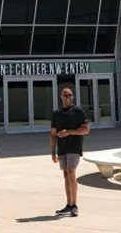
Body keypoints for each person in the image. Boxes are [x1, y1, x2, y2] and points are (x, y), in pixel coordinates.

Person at [50, 87, 89, 217]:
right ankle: (69, 204)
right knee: (66, 175)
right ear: (61, 97)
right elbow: (53, 134)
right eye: (65, 95)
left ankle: (75, 205)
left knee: (71, 172)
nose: (68, 97)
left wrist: (69, 132)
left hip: (74, 147)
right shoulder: (57, 114)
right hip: (62, 149)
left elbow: (86, 130)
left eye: (70, 95)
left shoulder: (78, 111)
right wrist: (52, 152)